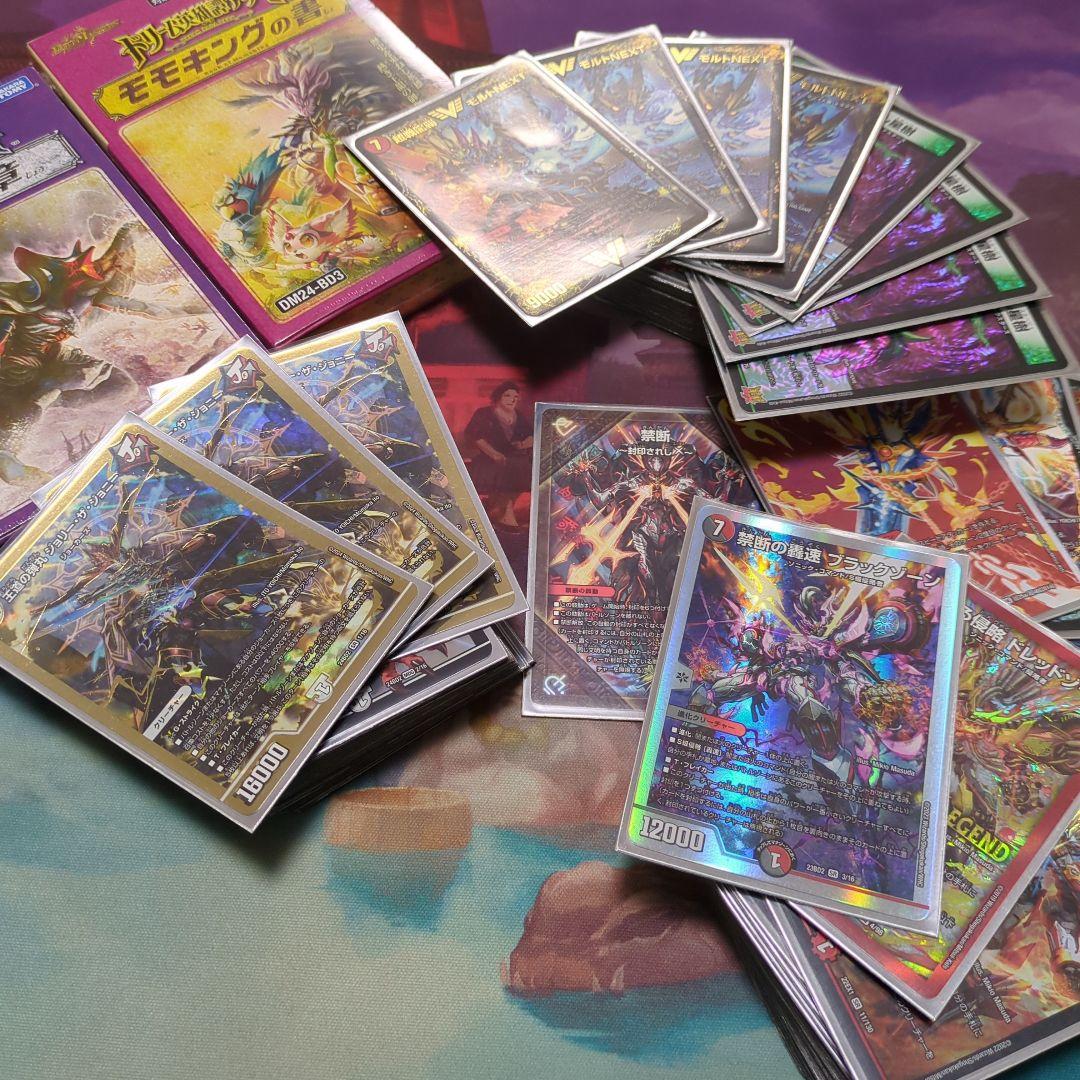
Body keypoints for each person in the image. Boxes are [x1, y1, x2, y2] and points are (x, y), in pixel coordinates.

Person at [464, 381, 532, 528]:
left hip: (514, 460)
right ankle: (504, 513)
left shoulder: (519, 416)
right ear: (498, 397)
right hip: (488, 459)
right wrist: (494, 454)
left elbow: (531, 436)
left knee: (522, 467)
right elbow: (476, 437)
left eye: (515, 397)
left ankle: (500, 509)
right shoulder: (484, 413)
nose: (512, 399)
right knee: (509, 468)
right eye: (507, 395)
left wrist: (523, 444)